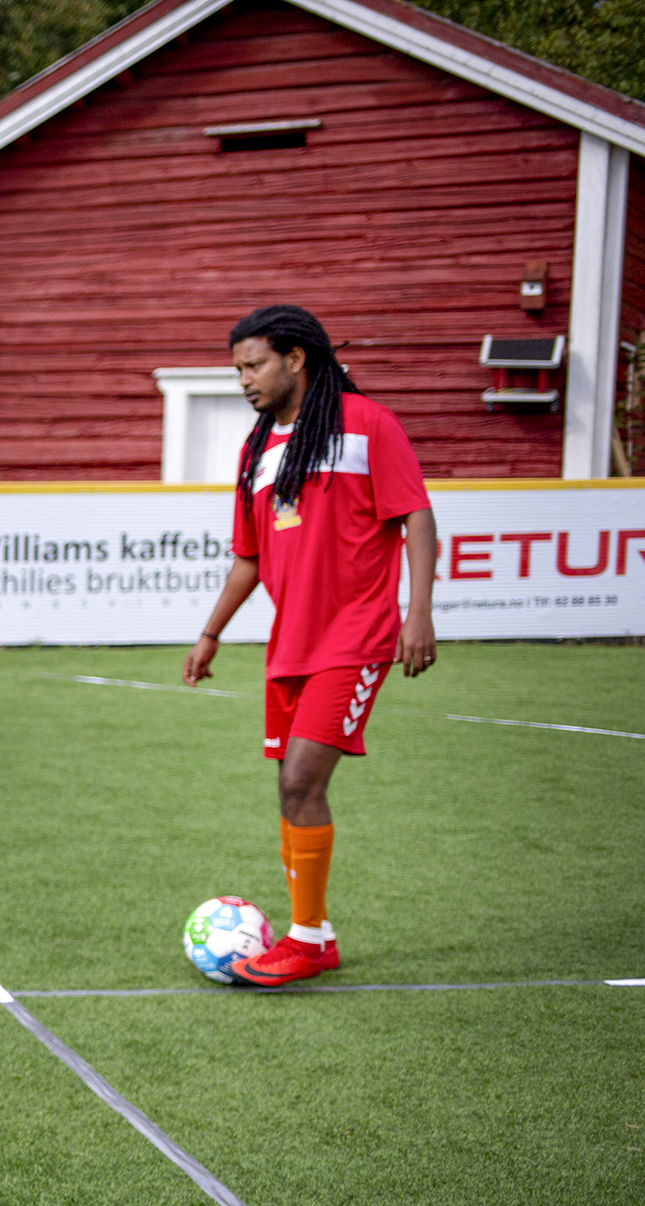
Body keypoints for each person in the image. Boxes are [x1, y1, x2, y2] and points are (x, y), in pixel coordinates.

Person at [183, 304, 437, 986]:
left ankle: (305, 941)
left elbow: (415, 515)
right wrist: (210, 634)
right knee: (287, 789)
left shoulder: (369, 425)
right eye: (236, 368)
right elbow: (249, 559)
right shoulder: (255, 453)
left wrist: (419, 612)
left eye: (253, 364)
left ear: (296, 358)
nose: (243, 380)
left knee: (302, 780)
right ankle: (315, 930)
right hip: (288, 644)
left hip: (355, 636)